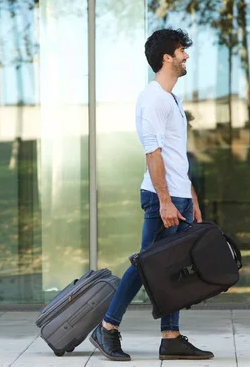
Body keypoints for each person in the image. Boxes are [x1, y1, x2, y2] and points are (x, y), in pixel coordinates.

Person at [89, 28, 214, 362]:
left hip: (179, 197)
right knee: (147, 265)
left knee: (171, 270)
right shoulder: (154, 98)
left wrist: (192, 199)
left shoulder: (172, 99)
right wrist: (164, 200)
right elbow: (153, 153)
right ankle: (107, 328)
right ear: (166, 58)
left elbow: (175, 157)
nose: (186, 55)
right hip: (163, 198)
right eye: (181, 50)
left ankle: (171, 338)